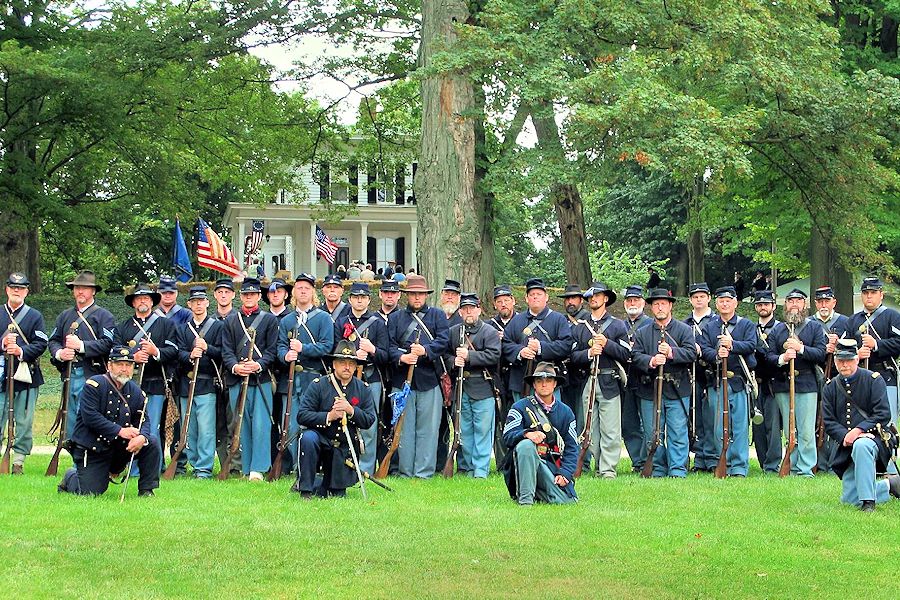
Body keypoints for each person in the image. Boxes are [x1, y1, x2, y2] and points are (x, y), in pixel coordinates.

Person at [57, 345, 161, 497]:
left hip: (119, 447)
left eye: (128, 365)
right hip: (93, 448)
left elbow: (143, 419)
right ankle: (71, 476)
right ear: (109, 365)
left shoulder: (136, 391)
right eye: (120, 364)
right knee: (90, 493)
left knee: (150, 441)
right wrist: (120, 431)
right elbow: (90, 416)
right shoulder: (94, 385)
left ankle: (146, 490)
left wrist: (142, 437)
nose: (124, 369)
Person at [822, 339, 900, 511]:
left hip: (875, 438)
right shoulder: (830, 387)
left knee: (862, 444)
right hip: (847, 445)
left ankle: (868, 503)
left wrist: (858, 430)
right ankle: (890, 485)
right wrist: (845, 436)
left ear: (857, 359)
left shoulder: (873, 380)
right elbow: (828, 421)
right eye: (840, 360)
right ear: (835, 361)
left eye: (849, 360)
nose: (844, 365)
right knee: (850, 501)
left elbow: (883, 414)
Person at [295, 339, 377, 498]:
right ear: (334, 364)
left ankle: (328, 485)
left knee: (337, 494)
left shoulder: (363, 389)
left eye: (351, 363)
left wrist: (351, 410)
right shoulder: (318, 385)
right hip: (321, 439)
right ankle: (305, 489)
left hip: (345, 446)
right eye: (342, 362)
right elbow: (302, 415)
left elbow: (369, 420)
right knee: (307, 438)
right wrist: (329, 416)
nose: (347, 367)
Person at [387, 274, 449, 478]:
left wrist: (425, 351)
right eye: (413, 294)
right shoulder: (395, 318)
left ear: (426, 295)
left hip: (429, 379)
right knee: (403, 430)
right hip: (402, 380)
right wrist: (402, 357)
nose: (417, 297)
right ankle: (405, 471)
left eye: (420, 294)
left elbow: (443, 341)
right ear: (407, 295)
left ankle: (424, 472)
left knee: (428, 430)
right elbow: (388, 346)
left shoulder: (437, 316)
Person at [631, 288, 697, 477]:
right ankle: (658, 468)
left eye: (663, 304)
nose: (660, 307)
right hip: (650, 389)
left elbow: (691, 353)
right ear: (652, 307)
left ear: (670, 306)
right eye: (656, 304)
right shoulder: (642, 332)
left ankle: (677, 469)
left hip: (677, 388)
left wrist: (672, 353)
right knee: (653, 434)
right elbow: (635, 356)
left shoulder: (683, 330)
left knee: (677, 432)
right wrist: (651, 361)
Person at [113, 283, 179, 470]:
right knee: (132, 425)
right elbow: (115, 351)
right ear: (133, 302)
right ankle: (132, 467)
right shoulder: (123, 326)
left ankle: (153, 467)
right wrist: (132, 357)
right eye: (139, 298)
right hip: (129, 386)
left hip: (156, 384)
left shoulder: (166, 324)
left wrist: (154, 351)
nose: (143, 301)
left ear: (152, 302)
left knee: (153, 427)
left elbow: (173, 350)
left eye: (147, 298)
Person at [569, 282, 630, 478]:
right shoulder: (581, 327)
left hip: (609, 381)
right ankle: (597, 465)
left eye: (598, 296)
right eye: (590, 297)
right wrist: (588, 353)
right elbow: (572, 356)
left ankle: (608, 470)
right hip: (588, 381)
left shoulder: (618, 325)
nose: (593, 299)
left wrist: (607, 344)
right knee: (591, 429)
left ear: (606, 299)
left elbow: (627, 354)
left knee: (611, 430)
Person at [763, 289, 827, 477]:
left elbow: (821, 354)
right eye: (790, 301)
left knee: (806, 430)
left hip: (807, 384)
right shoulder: (778, 330)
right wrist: (783, 358)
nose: (794, 305)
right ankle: (791, 466)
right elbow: (769, 356)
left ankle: (805, 469)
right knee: (790, 431)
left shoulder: (814, 328)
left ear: (805, 305)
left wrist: (801, 349)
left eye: (798, 301)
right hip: (784, 384)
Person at [221, 278, 279, 481]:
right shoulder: (231, 320)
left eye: (252, 294)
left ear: (258, 297)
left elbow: (272, 350)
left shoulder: (269, 320)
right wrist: (236, 367)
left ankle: (259, 468)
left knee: (261, 425)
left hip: (260, 379)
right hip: (237, 379)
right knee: (240, 424)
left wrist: (259, 364)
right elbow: (226, 350)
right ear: (241, 296)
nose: (248, 297)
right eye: (245, 294)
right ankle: (246, 467)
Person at [277, 273, 335, 476]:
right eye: (299, 287)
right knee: (291, 425)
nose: (303, 291)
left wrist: (303, 348)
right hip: (293, 381)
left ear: (313, 292)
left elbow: (328, 347)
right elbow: (280, 347)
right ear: (293, 292)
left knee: (315, 425)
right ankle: (295, 467)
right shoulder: (287, 321)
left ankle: (314, 467)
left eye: (307, 288)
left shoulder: (323, 318)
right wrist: (286, 356)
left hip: (314, 380)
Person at [697, 286, 758, 477]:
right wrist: (716, 354)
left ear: (735, 303)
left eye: (728, 300)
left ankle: (739, 467)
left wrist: (733, 346)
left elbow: (751, 345)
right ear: (716, 303)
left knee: (740, 427)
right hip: (716, 381)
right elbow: (702, 348)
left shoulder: (746, 325)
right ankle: (721, 462)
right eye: (721, 301)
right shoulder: (709, 327)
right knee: (717, 427)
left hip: (739, 382)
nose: (725, 304)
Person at [48, 271, 116, 439]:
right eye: (77, 287)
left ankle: (87, 457)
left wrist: (81, 346)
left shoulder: (104, 316)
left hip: (92, 373)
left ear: (93, 291)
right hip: (69, 373)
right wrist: (60, 353)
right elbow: (53, 341)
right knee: (69, 419)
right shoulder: (64, 316)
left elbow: (108, 343)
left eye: (85, 288)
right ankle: (75, 458)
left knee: (87, 416)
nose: (80, 291)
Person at [501, 362, 577, 505]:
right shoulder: (519, 407)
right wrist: (526, 434)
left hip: (551, 466)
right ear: (534, 385)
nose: (544, 384)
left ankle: (539, 492)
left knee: (567, 502)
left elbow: (572, 447)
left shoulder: (566, 412)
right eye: (539, 381)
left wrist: (565, 473)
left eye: (548, 380)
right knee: (526, 446)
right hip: (521, 468)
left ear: (554, 384)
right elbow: (507, 436)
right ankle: (526, 501)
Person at [334, 281, 389, 476]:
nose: (359, 300)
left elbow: (386, 355)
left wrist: (372, 350)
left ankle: (365, 469)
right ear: (349, 299)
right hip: (344, 380)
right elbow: (332, 351)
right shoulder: (341, 322)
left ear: (368, 300)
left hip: (369, 378)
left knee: (368, 425)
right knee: (341, 423)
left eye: (363, 297)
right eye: (356, 297)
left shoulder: (378, 323)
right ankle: (342, 466)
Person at [446, 293, 501, 477]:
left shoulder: (489, 332)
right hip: (461, 386)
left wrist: (470, 356)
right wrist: (454, 361)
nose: (468, 312)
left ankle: (480, 470)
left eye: (472, 308)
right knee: (464, 430)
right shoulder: (454, 331)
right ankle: (466, 468)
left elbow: (494, 356)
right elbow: (444, 356)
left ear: (478, 309)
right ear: (460, 311)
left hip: (482, 386)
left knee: (483, 431)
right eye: (464, 309)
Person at [0, 273, 47, 474]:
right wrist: (2, 344)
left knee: (24, 422)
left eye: (20, 288)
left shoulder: (35, 316)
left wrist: (20, 351)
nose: (16, 291)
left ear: (27, 291)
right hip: (1, 376)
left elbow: (42, 343)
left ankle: (18, 461)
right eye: (13, 287)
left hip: (25, 376)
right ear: (7, 290)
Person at [175, 286, 223, 478]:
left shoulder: (217, 326)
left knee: (206, 428)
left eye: (201, 301)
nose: (198, 304)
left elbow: (222, 353)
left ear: (207, 302)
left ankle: (204, 467)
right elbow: (177, 352)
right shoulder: (182, 329)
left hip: (206, 384)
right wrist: (190, 355)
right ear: (189, 304)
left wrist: (207, 348)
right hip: (186, 385)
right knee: (190, 428)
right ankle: (194, 463)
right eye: (194, 301)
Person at [501, 278, 572, 402]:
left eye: (539, 294)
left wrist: (541, 347)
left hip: (549, 380)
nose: (535, 297)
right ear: (526, 299)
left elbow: (566, 345)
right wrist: (520, 351)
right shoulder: (516, 321)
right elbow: (505, 344)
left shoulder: (558, 319)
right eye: (532, 295)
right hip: (521, 381)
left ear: (546, 297)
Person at [846, 277, 900, 423]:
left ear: (881, 294)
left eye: (873, 292)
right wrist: (856, 354)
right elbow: (843, 349)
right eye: (866, 292)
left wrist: (876, 344)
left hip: (885, 375)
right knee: (860, 422)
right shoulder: (853, 320)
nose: (869, 296)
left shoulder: (892, 316)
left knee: (887, 425)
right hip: (858, 378)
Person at [813, 285, 849, 473]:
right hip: (815, 376)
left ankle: (837, 460)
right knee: (816, 420)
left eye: (827, 301)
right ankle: (818, 461)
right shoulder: (810, 322)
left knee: (837, 419)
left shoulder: (845, 322)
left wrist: (838, 347)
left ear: (834, 302)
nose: (823, 304)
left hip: (838, 378)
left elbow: (853, 350)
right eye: (820, 301)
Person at [621, 284, 652, 471]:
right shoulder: (619, 325)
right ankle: (637, 461)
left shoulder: (650, 324)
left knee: (648, 424)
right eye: (629, 300)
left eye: (636, 300)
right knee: (629, 423)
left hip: (646, 378)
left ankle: (646, 460)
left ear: (643, 303)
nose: (633, 303)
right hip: (626, 379)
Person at [753, 290, 784, 473]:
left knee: (773, 427)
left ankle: (772, 465)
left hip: (773, 383)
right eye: (759, 304)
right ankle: (763, 461)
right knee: (757, 425)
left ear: (773, 306)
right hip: (755, 383)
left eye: (766, 304)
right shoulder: (751, 328)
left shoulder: (780, 328)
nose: (763, 307)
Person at [685, 282, 714, 472]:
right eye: (695, 297)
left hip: (711, 374)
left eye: (702, 296)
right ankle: (698, 459)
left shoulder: (716, 321)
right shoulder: (685, 324)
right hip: (689, 375)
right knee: (693, 419)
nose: (699, 300)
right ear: (690, 300)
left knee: (710, 418)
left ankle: (710, 459)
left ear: (709, 298)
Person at [487, 284, 517, 467]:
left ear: (513, 301)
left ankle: (516, 460)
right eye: (499, 301)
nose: (503, 304)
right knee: (499, 420)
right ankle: (502, 462)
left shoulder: (522, 322)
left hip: (516, 376)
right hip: (497, 377)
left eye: (506, 300)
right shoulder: (490, 325)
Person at [436, 279, 462, 471]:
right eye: (446, 294)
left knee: (458, 422)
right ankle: (438, 462)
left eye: (453, 295)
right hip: (435, 377)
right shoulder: (435, 318)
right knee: (438, 424)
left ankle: (460, 463)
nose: (449, 297)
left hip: (457, 377)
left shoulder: (463, 321)